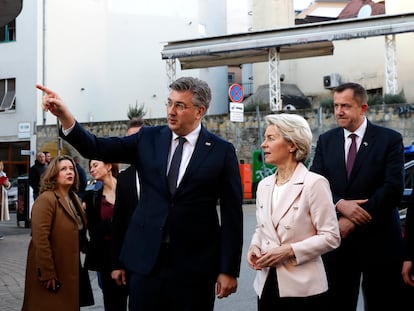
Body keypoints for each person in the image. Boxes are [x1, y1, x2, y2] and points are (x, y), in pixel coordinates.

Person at [37, 76, 243, 311]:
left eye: (180, 105)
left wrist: (228, 269)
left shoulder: (220, 151)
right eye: (169, 103)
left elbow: (232, 215)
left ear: (199, 111)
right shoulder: (148, 138)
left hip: (194, 268)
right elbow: (96, 146)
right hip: (146, 265)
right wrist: (65, 116)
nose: (171, 111)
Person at [310, 82, 406, 311]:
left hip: (380, 241)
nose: (339, 111)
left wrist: (353, 218)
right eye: (335, 106)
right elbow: (315, 183)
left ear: (363, 108)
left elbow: (393, 188)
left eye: (345, 105)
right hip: (338, 244)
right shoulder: (327, 140)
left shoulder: (389, 139)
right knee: (337, 304)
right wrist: (340, 204)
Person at [247, 113, 340, 311]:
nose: (263, 144)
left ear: (292, 145)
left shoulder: (314, 183)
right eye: (265, 138)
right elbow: (262, 227)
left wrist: (289, 250)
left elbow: (331, 236)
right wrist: (254, 247)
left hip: (304, 289)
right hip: (266, 284)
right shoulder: (264, 185)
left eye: (271, 138)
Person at [21, 155, 89, 311]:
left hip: (70, 268)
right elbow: (40, 239)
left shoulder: (74, 199)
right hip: (53, 270)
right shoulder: (46, 199)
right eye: (63, 169)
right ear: (54, 174)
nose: (69, 172)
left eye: (71, 168)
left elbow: (79, 231)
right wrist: (47, 272)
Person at [82, 159, 127, 311]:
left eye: (95, 165)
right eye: (90, 167)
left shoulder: (128, 189)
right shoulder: (92, 197)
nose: (92, 170)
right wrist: (114, 222)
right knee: (113, 303)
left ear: (108, 166)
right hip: (106, 257)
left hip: (130, 253)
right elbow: (94, 231)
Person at [111, 118, 144, 294]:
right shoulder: (124, 178)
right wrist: (117, 264)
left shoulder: (166, 171)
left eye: (138, 138)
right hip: (134, 260)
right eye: (129, 139)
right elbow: (119, 222)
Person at [0, 161, 12, 239]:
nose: (1, 166)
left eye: (1, 165)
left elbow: (8, 185)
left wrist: (7, 184)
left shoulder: (3, 174)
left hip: (1, 195)